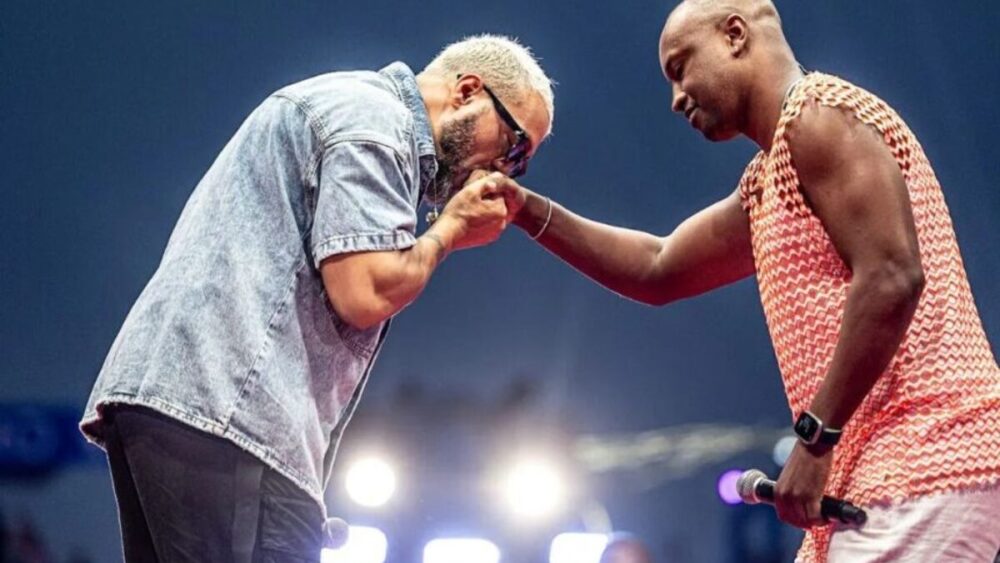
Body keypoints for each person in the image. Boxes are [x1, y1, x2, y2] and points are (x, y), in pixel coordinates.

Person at [500, 1, 1000, 561]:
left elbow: (892, 276)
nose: (676, 98)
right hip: (884, 474)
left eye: (680, 67)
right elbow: (658, 266)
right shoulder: (772, 175)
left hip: (927, 457)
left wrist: (815, 441)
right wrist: (525, 209)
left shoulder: (822, 115)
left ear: (735, 35)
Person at [79, 34, 553, 562]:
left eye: (521, 165)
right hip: (233, 413)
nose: (503, 171)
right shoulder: (378, 123)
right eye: (514, 147)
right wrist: (450, 232)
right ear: (468, 91)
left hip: (181, 403)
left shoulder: (346, 104)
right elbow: (365, 291)